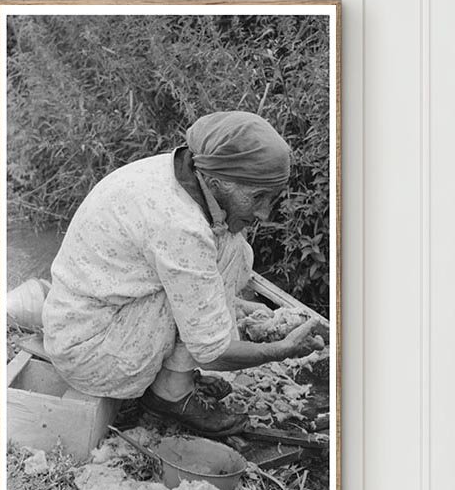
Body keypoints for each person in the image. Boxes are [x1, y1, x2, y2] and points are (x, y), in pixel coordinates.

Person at [41, 110, 324, 436]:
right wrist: (281, 351)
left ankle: (175, 378)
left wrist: (237, 307)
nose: (264, 213)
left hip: (94, 321)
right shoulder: (181, 226)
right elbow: (212, 353)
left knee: (230, 244)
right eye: (257, 197)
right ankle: (171, 393)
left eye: (271, 199)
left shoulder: (190, 171)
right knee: (211, 266)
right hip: (90, 354)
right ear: (217, 182)